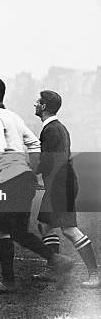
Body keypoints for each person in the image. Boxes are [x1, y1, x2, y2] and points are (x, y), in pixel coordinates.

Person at [0, 78, 73, 294]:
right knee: (19, 232)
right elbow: (35, 144)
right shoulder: (13, 117)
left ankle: (8, 281)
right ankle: (57, 259)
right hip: (24, 179)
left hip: (10, 180)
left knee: (1, 230)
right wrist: (28, 167)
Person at [33, 90, 99, 288]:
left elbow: (49, 162)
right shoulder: (56, 127)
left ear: (44, 106)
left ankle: (95, 274)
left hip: (61, 186)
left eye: (38, 102)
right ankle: (54, 268)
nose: (34, 104)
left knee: (69, 229)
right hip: (60, 183)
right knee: (44, 225)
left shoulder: (51, 129)